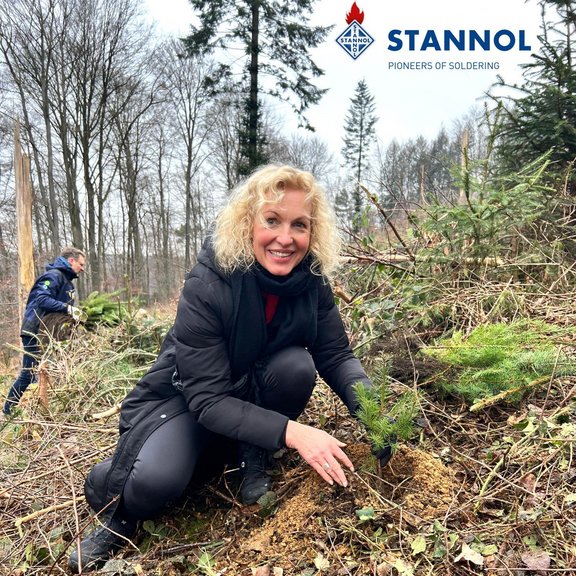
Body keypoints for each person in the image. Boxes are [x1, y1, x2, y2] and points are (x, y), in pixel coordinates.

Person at [68, 165, 392, 573]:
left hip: (247, 393)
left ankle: (251, 454)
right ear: (247, 223)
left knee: (297, 365)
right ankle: (122, 516)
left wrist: (373, 411)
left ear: (314, 232)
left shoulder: (311, 281)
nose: (285, 238)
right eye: (272, 220)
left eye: (300, 225)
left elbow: (336, 355)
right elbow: (207, 398)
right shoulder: (210, 281)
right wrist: (295, 433)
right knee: (157, 483)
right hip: (187, 399)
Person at [2, 246, 86, 416]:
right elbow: (42, 299)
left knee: (42, 372)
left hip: (47, 333)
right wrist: (68, 309)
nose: (82, 268)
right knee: (30, 373)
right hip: (34, 331)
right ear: (71, 261)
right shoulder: (54, 276)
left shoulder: (66, 280)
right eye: (81, 264)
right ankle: (8, 410)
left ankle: (37, 408)